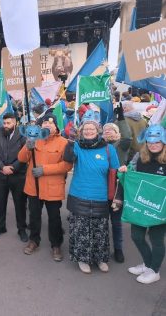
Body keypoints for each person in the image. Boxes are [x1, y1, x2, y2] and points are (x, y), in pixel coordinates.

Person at [64, 117, 119, 274]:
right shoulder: (77, 146)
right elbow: (67, 159)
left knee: (100, 230)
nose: (88, 131)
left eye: (92, 129)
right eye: (85, 129)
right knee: (81, 229)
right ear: (81, 131)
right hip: (79, 194)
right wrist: (70, 141)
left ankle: (100, 258)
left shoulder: (109, 149)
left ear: (98, 131)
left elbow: (114, 171)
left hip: (100, 196)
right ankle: (83, 258)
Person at [18, 114, 73, 261]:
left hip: (53, 188)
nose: (47, 125)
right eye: (44, 123)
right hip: (33, 187)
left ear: (56, 126)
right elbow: (22, 159)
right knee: (34, 216)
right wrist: (28, 147)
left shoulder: (64, 143)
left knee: (54, 218)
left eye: (51, 123)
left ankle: (56, 245)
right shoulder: (34, 137)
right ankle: (34, 241)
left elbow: (67, 165)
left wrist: (45, 170)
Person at [115, 125, 166, 284]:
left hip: (160, 209)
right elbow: (130, 174)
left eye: (157, 141)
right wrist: (124, 170)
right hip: (140, 206)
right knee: (136, 236)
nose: (153, 144)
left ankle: (154, 270)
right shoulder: (139, 156)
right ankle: (148, 264)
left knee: (156, 239)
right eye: (150, 141)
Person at [0, 113, 28, 241]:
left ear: (15, 123)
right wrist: (2, 167)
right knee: (0, 202)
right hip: (0, 175)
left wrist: (12, 167)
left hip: (18, 175)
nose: (5, 126)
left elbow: (25, 155)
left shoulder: (22, 135)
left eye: (8, 123)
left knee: (20, 204)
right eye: (4, 123)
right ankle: (1, 226)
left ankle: (21, 229)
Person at [102, 103, 133, 263]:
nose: (108, 132)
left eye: (111, 130)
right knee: (101, 222)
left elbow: (128, 136)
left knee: (115, 222)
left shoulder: (122, 145)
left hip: (116, 189)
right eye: (105, 130)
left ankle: (118, 249)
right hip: (100, 188)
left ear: (117, 133)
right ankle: (103, 249)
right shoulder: (99, 146)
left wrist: (120, 118)